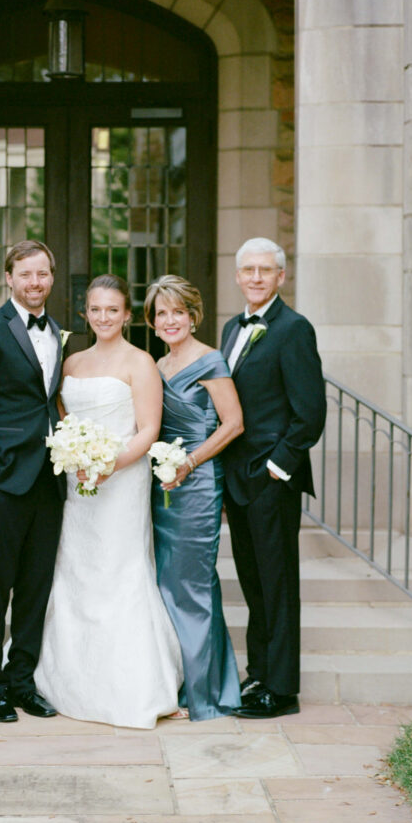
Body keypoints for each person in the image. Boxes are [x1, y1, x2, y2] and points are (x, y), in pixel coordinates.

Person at [34, 274, 182, 729]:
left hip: (122, 481)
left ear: (127, 315)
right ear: (85, 314)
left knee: (120, 571)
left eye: (112, 310)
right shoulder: (73, 362)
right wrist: (74, 451)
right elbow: (61, 414)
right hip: (79, 484)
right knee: (76, 569)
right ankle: (68, 680)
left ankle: (131, 687)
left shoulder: (142, 363)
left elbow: (148, 430)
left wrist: (109, 463)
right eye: (95, 310)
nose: (103, 318)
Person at [220, 237, 327, 719]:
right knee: (254, 583)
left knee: (278, 584)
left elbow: (310, 414)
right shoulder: (230, 329)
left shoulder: (294, 329)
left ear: (281, 277)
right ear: (238, 276)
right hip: (237, 480)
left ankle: (281, 690)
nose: (257, 277)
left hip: (271, 480)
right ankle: (260, 672)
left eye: (266, 270)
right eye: (249, 270)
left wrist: (275, 469)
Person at [0, 240, 66, 723]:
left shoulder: (59, 333)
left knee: (35, 586)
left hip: (49, 478)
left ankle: (23, 679)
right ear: (9, 277)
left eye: (42, 274)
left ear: (51, 277)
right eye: (26, 274)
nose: (35, 282)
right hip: (2, 479)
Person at [144, 275, 243, 720]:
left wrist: (191, 462)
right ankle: (178, 681)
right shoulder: (156, 366)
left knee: (194, 587)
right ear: (152, 321)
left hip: (198, 485)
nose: (170, 320)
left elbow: (233, 423)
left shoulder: (210, 360)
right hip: (161, 486)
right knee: (166, 585)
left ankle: (204, 694)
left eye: (177, 312)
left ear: (192, 315)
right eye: (161, 313)